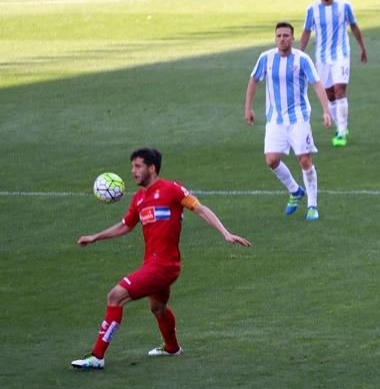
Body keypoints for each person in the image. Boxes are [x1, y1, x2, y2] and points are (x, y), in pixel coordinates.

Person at [71, 148, 251, 370]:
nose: (133, 172)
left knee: (115, 296)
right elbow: (126, 226)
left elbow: (200, 209)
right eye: (132, 167)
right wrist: (95, 237)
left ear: (152, 168)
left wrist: (225, 233)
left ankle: (97, 356)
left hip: (163, 266)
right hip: (153, 264)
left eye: (138, 166)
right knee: (158, 308)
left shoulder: (171, 189)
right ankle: (172, 348)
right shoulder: (139, 198)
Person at [245, 21, 332, 221]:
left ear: (293, 38)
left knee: (304, 160)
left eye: (286, 36)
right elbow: (253, 80)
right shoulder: (266, 58)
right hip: (275, 119)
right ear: (275, 38)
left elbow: (317, 84)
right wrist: (248, 108)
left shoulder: (302, 59)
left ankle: (312, 205)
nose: (282, 39)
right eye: (279, 36)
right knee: (271, 160)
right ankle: (295, 190)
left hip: (299, 118)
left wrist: (326, 110)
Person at [300, 0, 367, 148]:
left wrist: (362, 47)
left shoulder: (344, 6)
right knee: (329, 95)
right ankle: (342, 126)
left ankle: (342, 132)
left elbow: (354, 26)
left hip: (341, 55)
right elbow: (307, 31)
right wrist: (299, 53)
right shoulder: (312, 9)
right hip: (322, 57)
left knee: (339, 90)